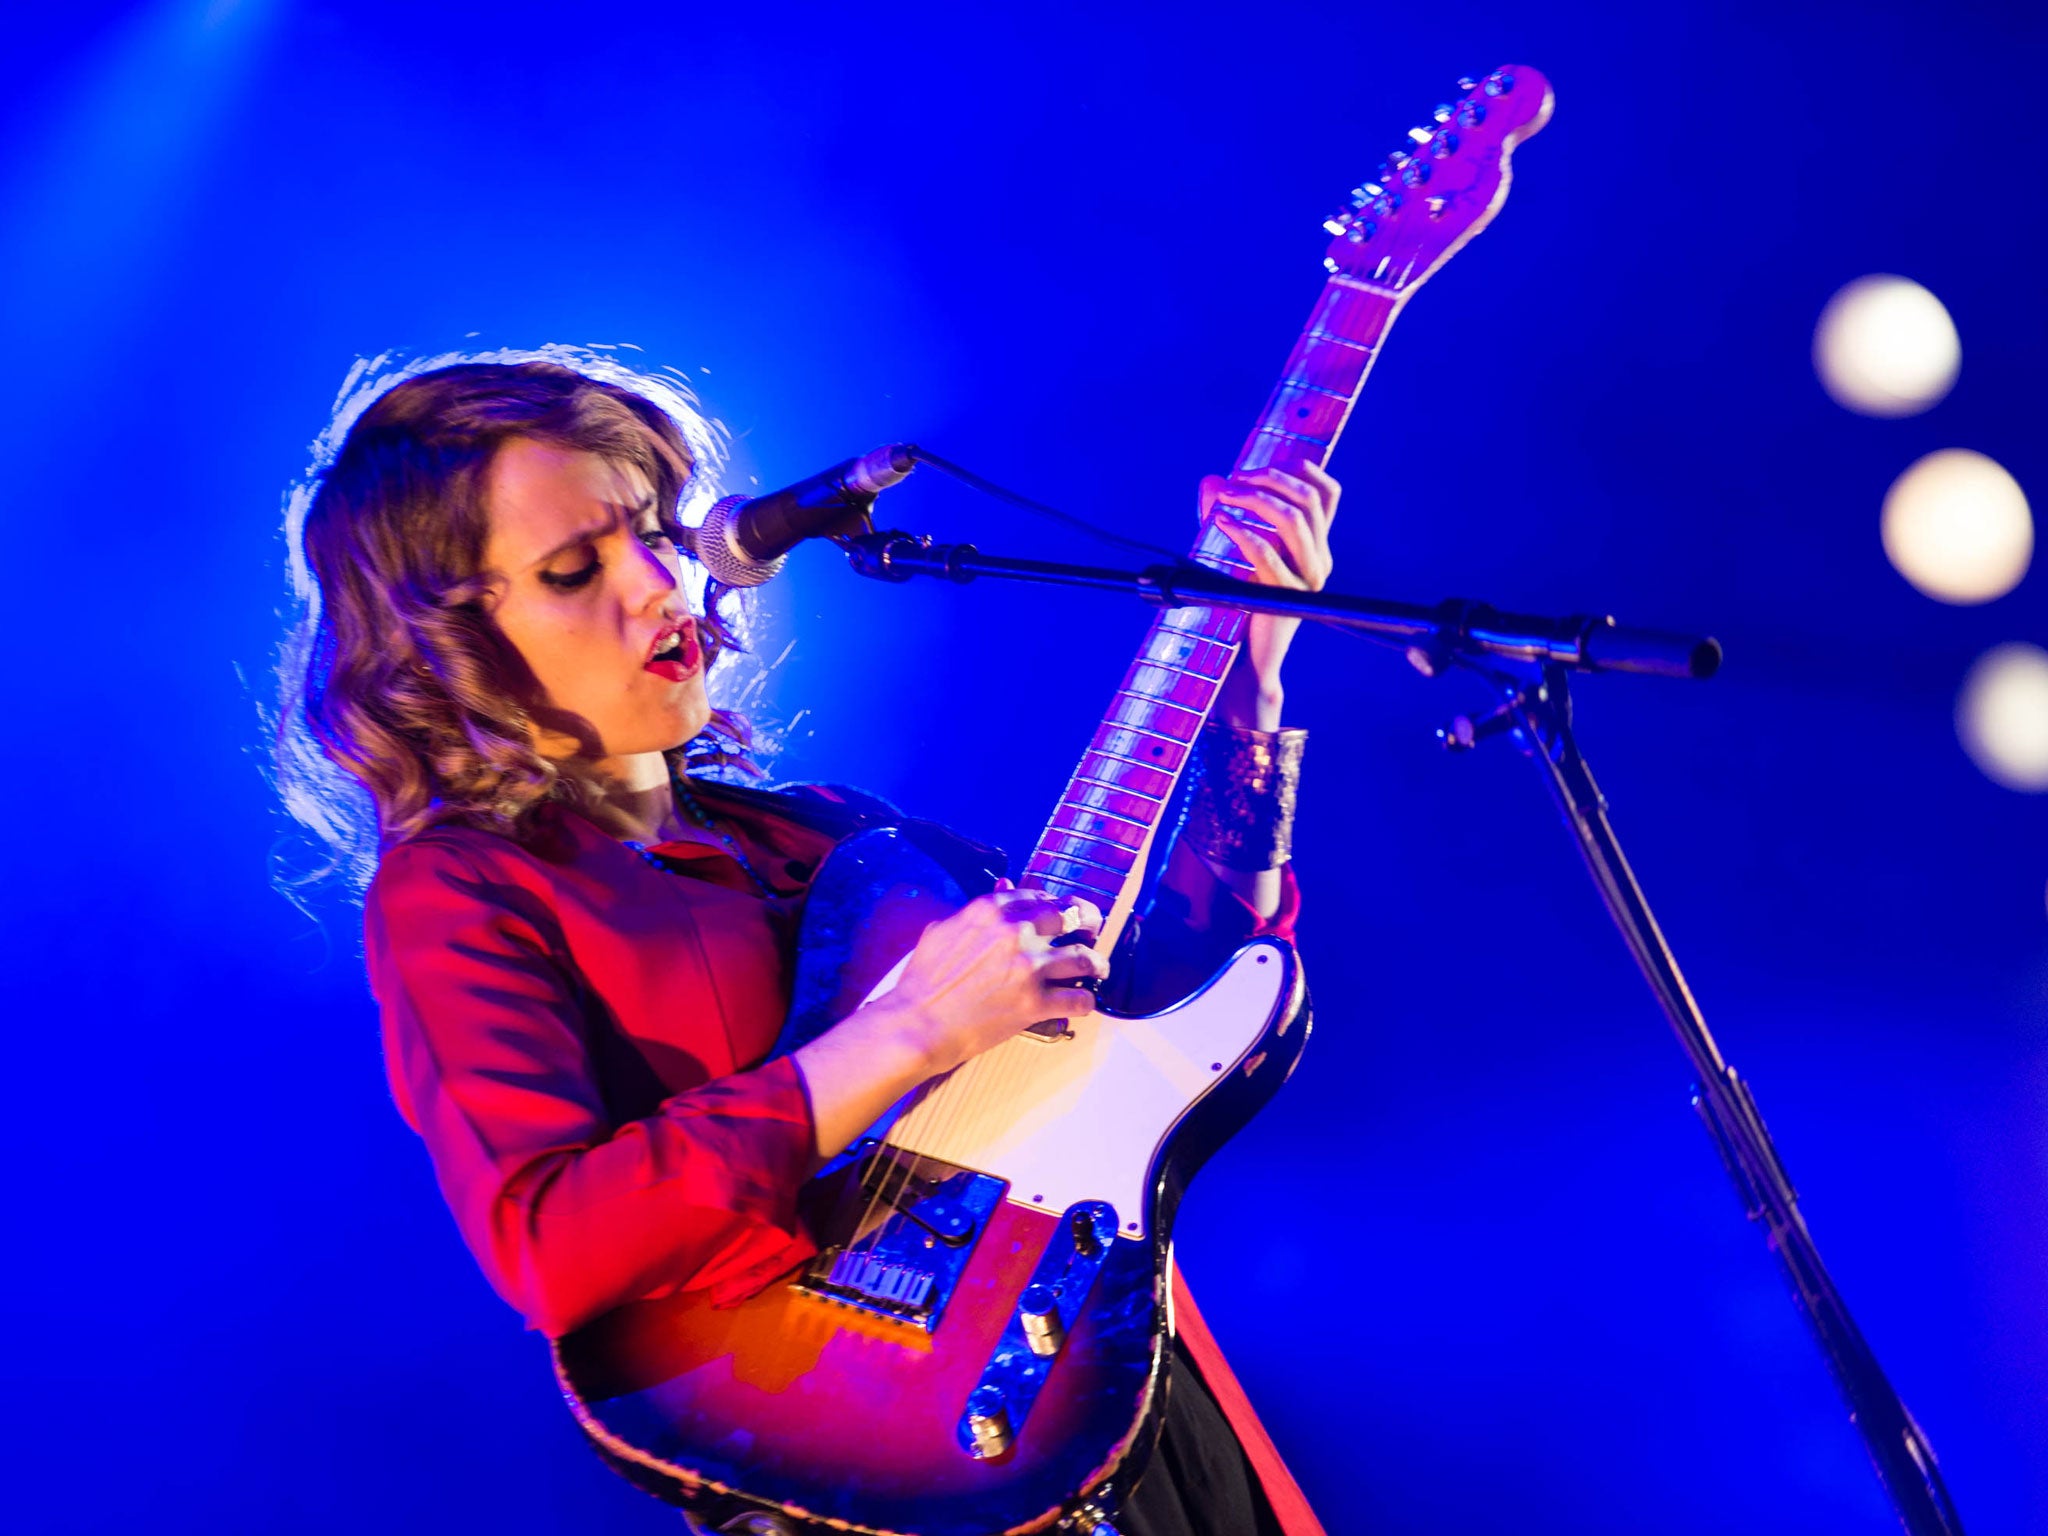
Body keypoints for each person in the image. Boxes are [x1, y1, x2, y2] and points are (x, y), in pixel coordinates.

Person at [280, 358, 1337, 1535]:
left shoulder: (824, 829)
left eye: (651, 533)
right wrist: (909, 1031)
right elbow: (548, 1240)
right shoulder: (464, 888)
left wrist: (1247, 685)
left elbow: (1152, 1009)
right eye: (574, 570)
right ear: (444, 645)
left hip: (1112, 1383)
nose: (657, 584)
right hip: (862, 1442)